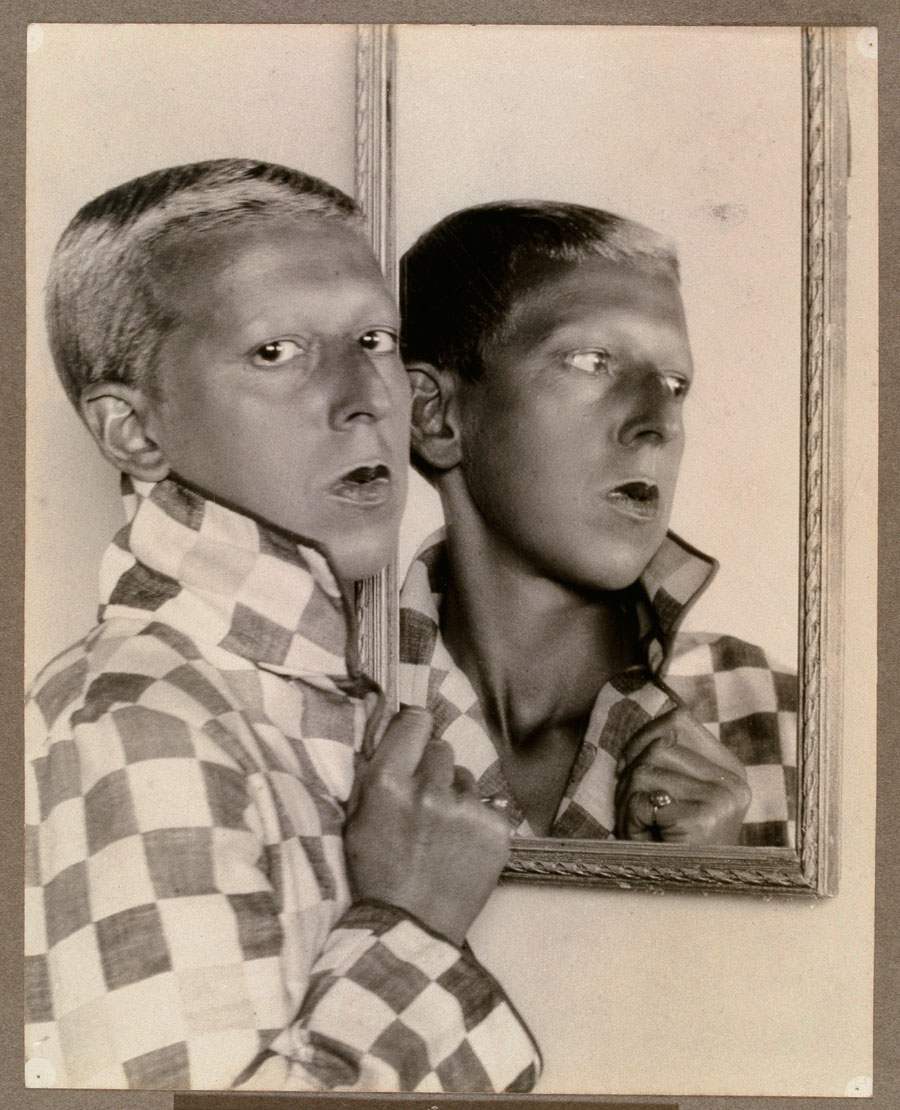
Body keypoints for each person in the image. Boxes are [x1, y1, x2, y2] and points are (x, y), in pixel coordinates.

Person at [25, 161, 541, 1092]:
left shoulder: (344, 689)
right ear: (132, 432)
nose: (368, 396)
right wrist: (413, 920)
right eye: (276, 352)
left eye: (375, 339)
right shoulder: (142, 723)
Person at [398, 201, 797, 847]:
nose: (659, 422)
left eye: (674, 383)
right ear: (434, 416)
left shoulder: (789, 720)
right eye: (592, 361)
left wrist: (716, 888)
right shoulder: (317, 715)